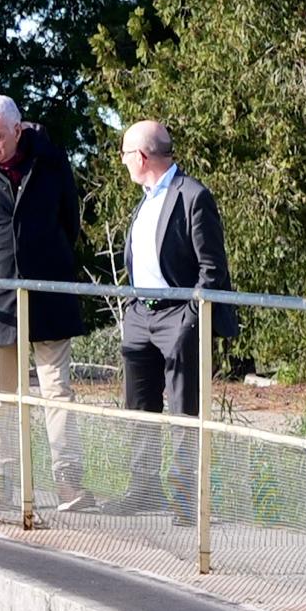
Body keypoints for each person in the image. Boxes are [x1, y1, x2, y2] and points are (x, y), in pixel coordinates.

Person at [0, 95, 91, 508]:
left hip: (50, 296)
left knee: (58, 392)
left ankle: (68, 481)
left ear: (18, 130)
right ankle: (2, 482)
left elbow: (70, 222)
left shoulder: (51, 163)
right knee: (0, 396)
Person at [113, 119, 233, 517]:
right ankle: (143, 491)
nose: (123, 162)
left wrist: (190, 321)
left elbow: (212, 270)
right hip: (140, 317)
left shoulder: (193, 196)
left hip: (178, 320)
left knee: (185, 413)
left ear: (142, 156)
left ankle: (186, 502)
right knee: (139, 409)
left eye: (126, 154)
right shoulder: (146, 199)